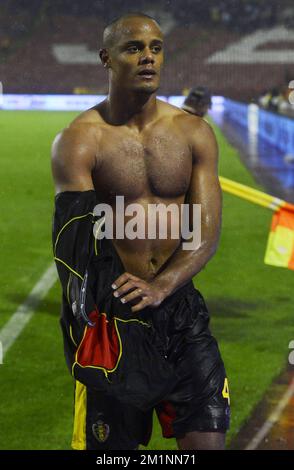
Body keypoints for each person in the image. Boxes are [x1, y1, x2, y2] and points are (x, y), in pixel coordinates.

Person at [51, 12, 230, 451]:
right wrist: (89, 321)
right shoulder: (79, 140)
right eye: (134, 48)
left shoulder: (194, 133)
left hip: (182, 310)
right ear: (106, 58)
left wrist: (163, 286)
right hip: (117, 316)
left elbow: (205, 232)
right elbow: (74, 245)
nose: (148, 57)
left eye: (155, 47)